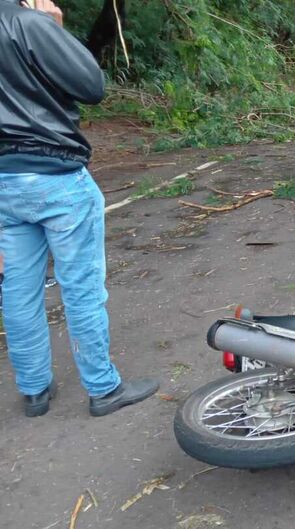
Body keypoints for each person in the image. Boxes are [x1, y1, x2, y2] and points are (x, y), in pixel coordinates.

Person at [0, 0, 159, 417]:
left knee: (18, 289)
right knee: (82, 289)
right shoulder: (29, 23)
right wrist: (52, 27)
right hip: (56, 175)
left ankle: (34, 390)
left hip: (5, 180)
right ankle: (103, 389)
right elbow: (91, 86)